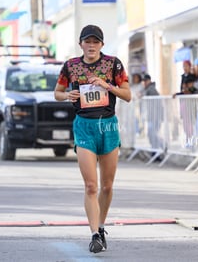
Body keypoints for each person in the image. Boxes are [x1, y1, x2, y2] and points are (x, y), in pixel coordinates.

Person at [54, 24, 131, 253]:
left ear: (101, 45)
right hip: (84, 126)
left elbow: (127, 95)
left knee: (107, 186)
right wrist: (67, 95)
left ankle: (101, 225)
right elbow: (57, 93)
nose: (91, 45)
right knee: (91, 185)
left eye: (95, 42)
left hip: (107, 126)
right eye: (87, 42)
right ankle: (94, 234)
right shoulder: (71, 66)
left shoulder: (113, 64)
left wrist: (108, 85)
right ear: (81, 44)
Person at [142, 74, 164, 153]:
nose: (144, 83)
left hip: (155, 116)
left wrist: (158, 116)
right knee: (152, 134)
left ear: (149, 81)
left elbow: (157, 104)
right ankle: (156, 150)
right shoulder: (148, 89)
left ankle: (161, 147)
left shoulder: (151, 90)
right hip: (152, 116)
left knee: (152, 134)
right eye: (143, 81)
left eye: (145, 81)